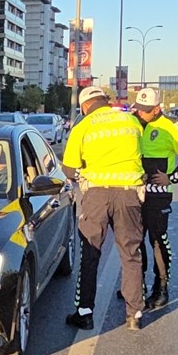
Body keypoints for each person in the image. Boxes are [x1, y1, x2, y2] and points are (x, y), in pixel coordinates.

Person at [62, 86, 147, 331]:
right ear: (106, 101)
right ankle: (135, 314)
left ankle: (85, 313)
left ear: (85, 106)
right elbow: (142, 154)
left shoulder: (84, 126)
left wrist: (85, 174)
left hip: (97, 196)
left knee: (90, 255)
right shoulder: (131, 121)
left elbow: (69, 169)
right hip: (129, 195)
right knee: (131, 254)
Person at [131, 88, 178, 310]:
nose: (140, 114)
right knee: (134, 240)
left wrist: (173, 177)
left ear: (157, 109)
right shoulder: (132, 123)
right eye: (138, 109)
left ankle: (161, 288)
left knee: (157, 240)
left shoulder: (171, 127)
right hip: (134, 191)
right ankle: (135, 286)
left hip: (158, 195)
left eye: (145, 111)